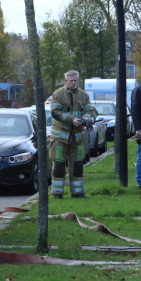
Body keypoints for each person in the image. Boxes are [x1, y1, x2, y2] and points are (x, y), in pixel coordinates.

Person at [49, 70, 95, 199]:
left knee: (77, 166)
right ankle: (57, 193)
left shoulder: (83, 95)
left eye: (75, 80)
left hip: (78, 137)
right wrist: (71, 119)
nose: (74, 83)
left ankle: (78, 192)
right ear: (66, 81)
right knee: (58, 166)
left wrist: (85, 119)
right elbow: (55, 112)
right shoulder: (58, 94)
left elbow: (90, 111)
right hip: (59, 138)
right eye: (71, 81)